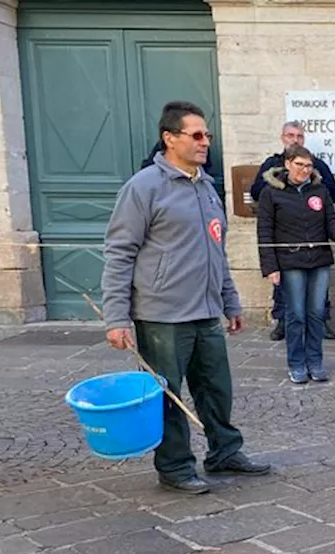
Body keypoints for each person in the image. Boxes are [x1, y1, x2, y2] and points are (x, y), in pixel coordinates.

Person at [102, 100, 271, 494]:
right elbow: (119, 252)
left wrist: (229, 301)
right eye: (196, 135)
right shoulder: (143, 187)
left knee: (216, 386)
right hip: (162, 313)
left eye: (207, 135)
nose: (204, 142)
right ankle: (176, 466)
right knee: (168, 394)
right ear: (169, 138)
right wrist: (116, 318)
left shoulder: (206, 188)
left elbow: (217, 250)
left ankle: (224, 451)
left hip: (206, 309)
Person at [256, 145, 335, 383]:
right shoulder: (271, 193)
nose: (304, 170)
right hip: (290, 261)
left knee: (316, 313)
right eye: (299, 165)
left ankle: (315, 361)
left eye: (308, 166)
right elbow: (265, 233)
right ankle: (296, 363)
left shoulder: (319, 191)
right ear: (288, 164)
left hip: (319, 260)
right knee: (296, 314)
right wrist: (270, 268)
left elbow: (331, 220)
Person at [250, 121, 335, 342]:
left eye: (299, 136)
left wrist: (313, 185)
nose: (295, 139)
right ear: (283, 138)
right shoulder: (271, 163)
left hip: (314, 235)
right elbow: (256, 191)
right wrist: (283, 190)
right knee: (284, 285)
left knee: (318, 289)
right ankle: (282, 321)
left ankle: (322, 321)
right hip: (285, 237)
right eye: (291, 135)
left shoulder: (316, 165)